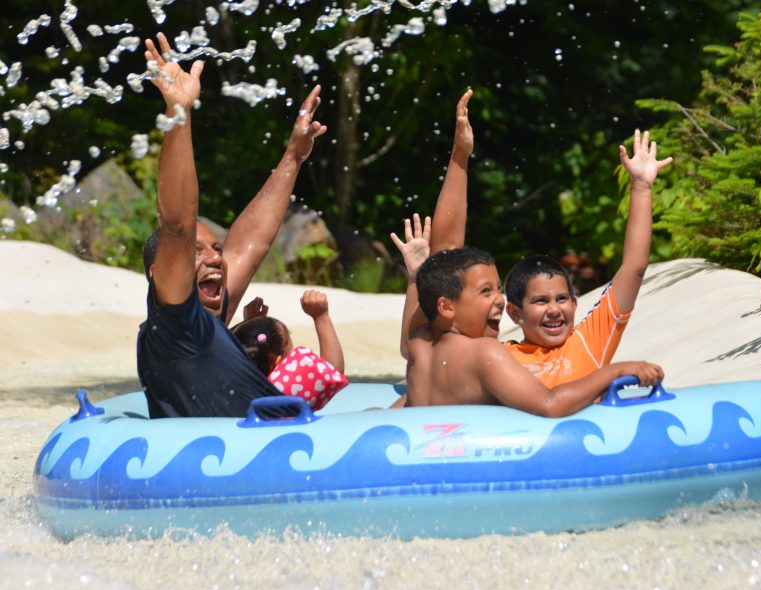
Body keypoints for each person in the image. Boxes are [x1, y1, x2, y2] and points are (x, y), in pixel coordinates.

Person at [425, 90, 673, 388]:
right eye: (540, 300)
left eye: (561, 299)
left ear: (574, 303)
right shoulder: (497, 355)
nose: (554, 309)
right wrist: (460, 156)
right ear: (515, 312)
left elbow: (634, 266)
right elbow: (445, 260)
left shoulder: (589, 343)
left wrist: (642, 188)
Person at [136, 32, 327, 418]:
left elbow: (249, 247)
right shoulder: (175, 325)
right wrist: (179, 114)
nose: (215, 259)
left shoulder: (210, 320)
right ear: (161, 274)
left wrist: (292, 158)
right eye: (197, 252)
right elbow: (176, 226)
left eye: (215, 250)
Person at [391, 233, 664, 415]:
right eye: (487, 292)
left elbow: (408, 404)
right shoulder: (486, 353)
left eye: (498, 289)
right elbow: (549, 405)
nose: (498, 300)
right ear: (446, 306)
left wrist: (417, 277)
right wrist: (614, 372)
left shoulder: (418, 343)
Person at [232, 290, 348, 410]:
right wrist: (321, 316)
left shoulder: (232, 387)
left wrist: (251, 325)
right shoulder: (281, 397)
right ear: (278, 362)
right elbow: (333, 371)